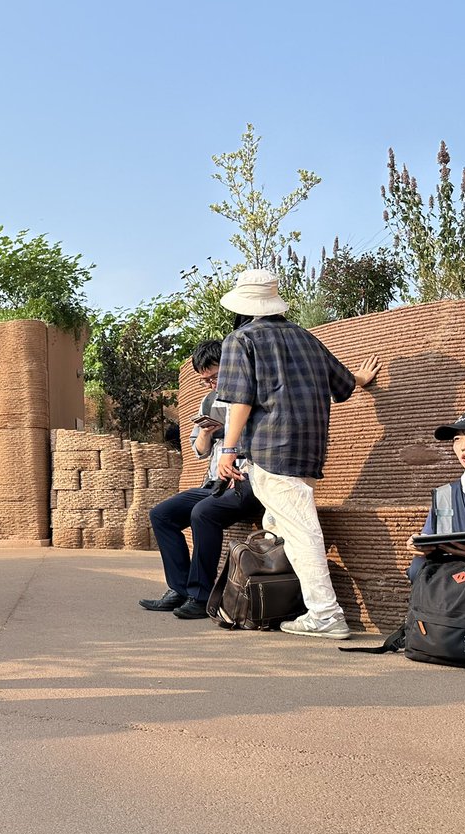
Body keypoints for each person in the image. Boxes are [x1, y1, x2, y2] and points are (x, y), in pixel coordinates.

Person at [214, 269, 381, 640]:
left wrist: (228, 450)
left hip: (270, 451)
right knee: (279, 527)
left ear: (243, 306)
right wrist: (362, 379)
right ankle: (280, 605)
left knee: (302, 531)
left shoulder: (240, 340)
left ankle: (325, 614)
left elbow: (239, 401)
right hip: (309, 450)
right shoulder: (307, 338)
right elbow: (344, 385)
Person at [141, 340, 265, 619]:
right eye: (205, 380)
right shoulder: (209, 401)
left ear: (231, 367)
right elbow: (199, 450)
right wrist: (209, 431)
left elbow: (264, 439)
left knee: (202, 513)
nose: (210, 384)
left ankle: (201, 596)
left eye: (214, 376)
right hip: (214, 484)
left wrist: (232, 434)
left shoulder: (252, 395)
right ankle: (180, 589)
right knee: (161, 514)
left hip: (245, 480)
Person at [406, 408, 465, 566]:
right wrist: (420, 546)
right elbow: (429, 542)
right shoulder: (445, 496)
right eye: (457, 439)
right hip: (458, 585)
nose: (463, 447)